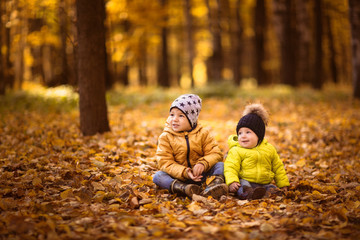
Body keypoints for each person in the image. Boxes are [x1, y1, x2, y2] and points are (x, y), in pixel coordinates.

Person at [153, 94, 228, 200]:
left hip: (202, 175)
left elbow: (216, 153)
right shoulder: (166, 137)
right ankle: (184, 188)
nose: (174, 119)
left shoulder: (203, 133)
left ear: (191, 119)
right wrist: (185, 172)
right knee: (158, 176)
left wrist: (203, 163)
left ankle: (213, 186)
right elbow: (164, 162)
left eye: (181, 116)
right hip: (180, 177)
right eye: (172, 114)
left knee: (221, 165)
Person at [224, 103, 289, 200]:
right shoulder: (236, 150)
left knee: (271, 188)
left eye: (248, 132)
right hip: (246, 181)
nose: (243, 136)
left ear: (259, 134)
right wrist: (232, 182)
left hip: (264, 183)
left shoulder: (269, 149)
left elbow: (278, 167)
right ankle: (248, 193)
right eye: (240, 133)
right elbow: (230, 167)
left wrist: (283, 184)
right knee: (242, 186)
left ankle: (270, 193)